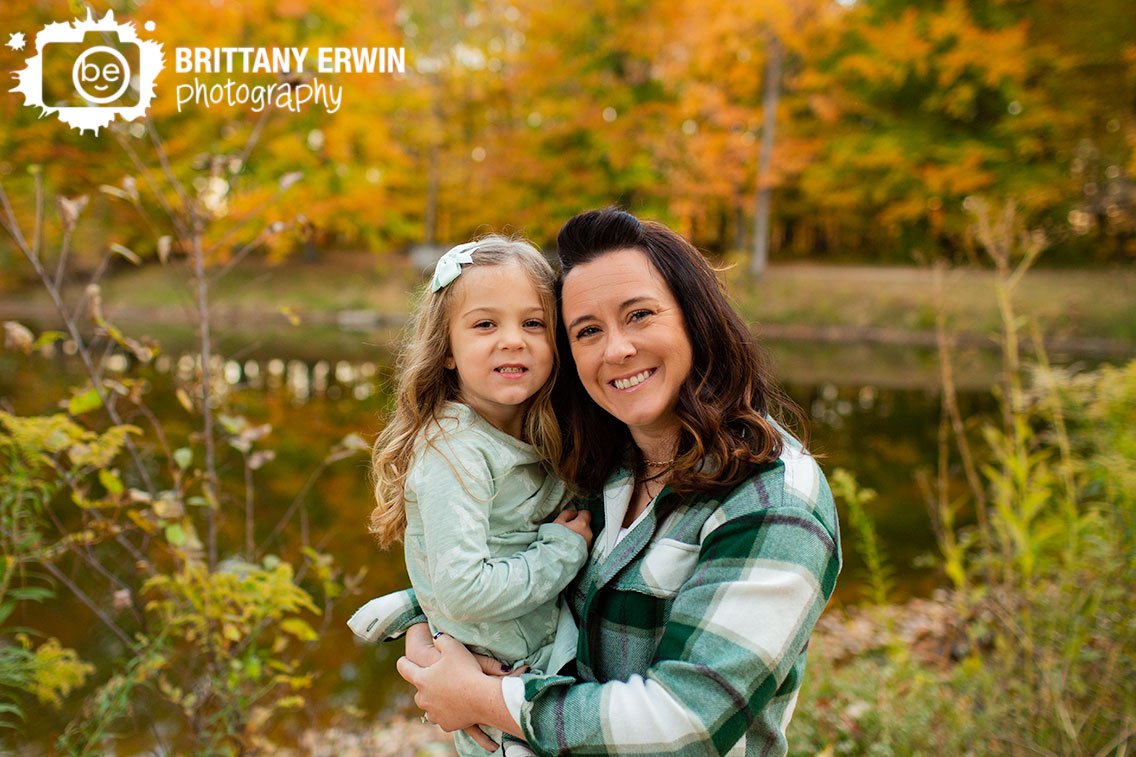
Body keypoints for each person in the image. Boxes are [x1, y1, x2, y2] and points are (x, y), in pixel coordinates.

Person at [354, 209, 841, 756]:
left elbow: (687, 726)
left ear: (695, 318)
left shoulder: (773, 499)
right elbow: (488, 558)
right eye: (588, 331)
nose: (616, 350)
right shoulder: (599, 461)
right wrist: (431, 639)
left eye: (639, 315)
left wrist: (487, 699)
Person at [348, 236, 593, 757]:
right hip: (499, 685)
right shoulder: (454, 450)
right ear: (448, 351)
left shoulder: (531, 431)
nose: (513, 340)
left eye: (533, 323)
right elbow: (463, 591)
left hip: (531, 667)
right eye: (485, 324)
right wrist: (564, 551)